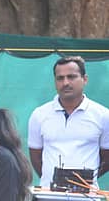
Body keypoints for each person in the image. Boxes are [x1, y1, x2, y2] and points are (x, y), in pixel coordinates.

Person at [28, 56, 109, 188]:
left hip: (88, 197)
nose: (65, 83)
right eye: (60, 78)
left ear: (85, 79)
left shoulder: (103, 115)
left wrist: (84, 181)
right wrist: (54, 180)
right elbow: (36, 158)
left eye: (71, 77)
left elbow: (107, 158)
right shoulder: (39, 115)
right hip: (49, 195)